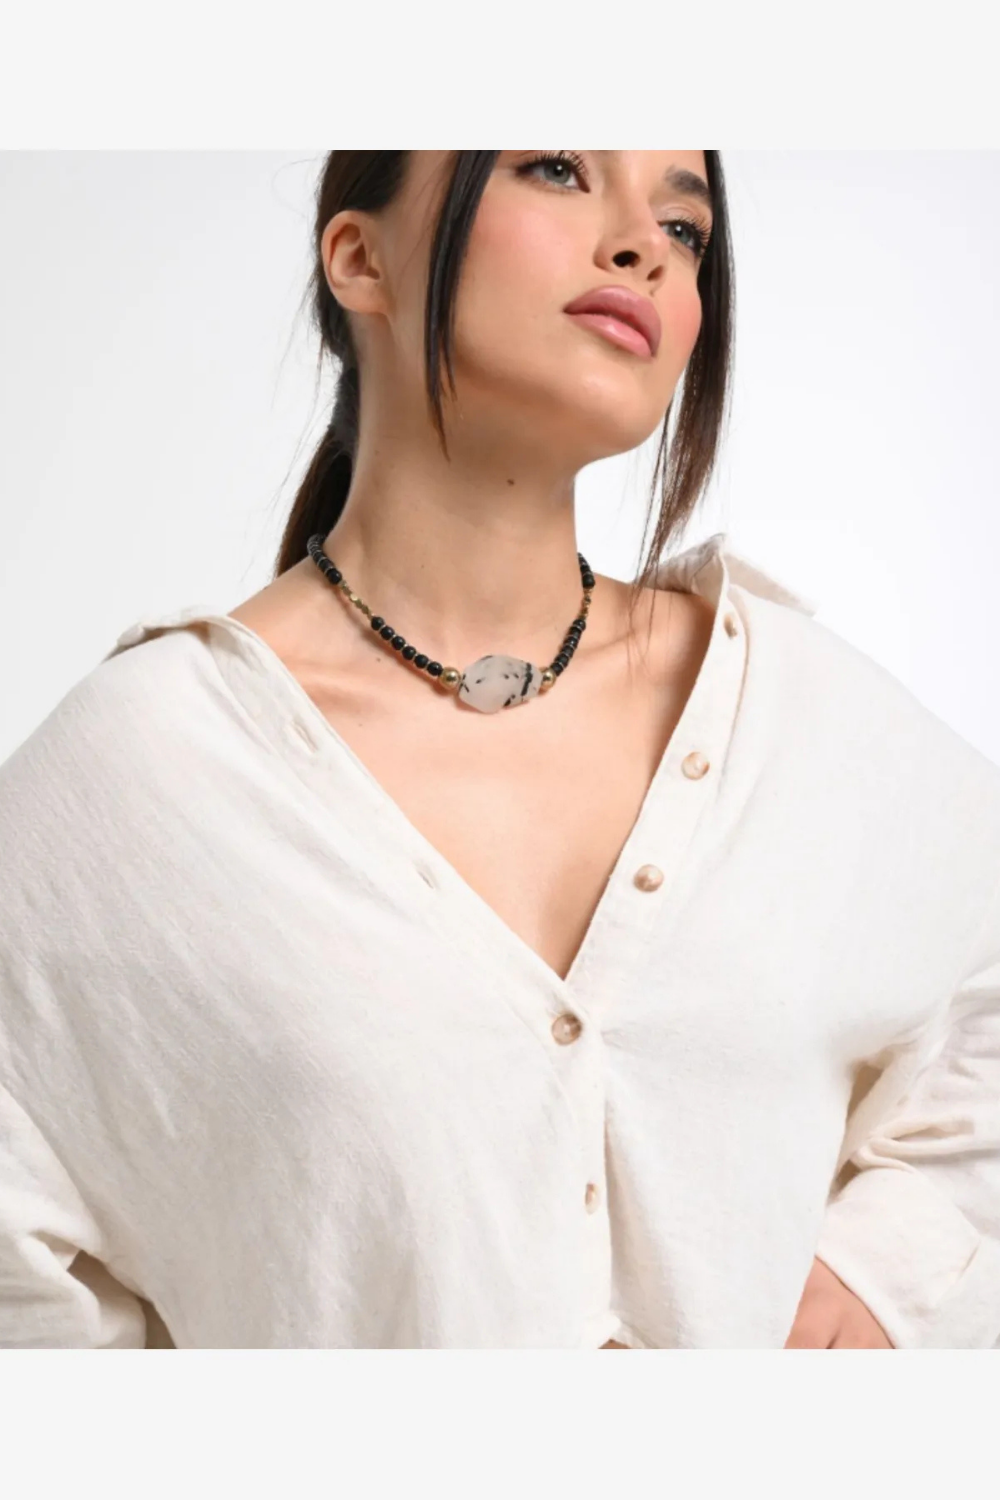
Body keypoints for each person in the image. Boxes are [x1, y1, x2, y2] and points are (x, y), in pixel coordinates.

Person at [1, 151, 999, 1350]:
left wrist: (888, 1272)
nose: (642, 245)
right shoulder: (142, 781)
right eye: (558, 169)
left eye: (684, 226)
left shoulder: (794, 715)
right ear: (359, 259)